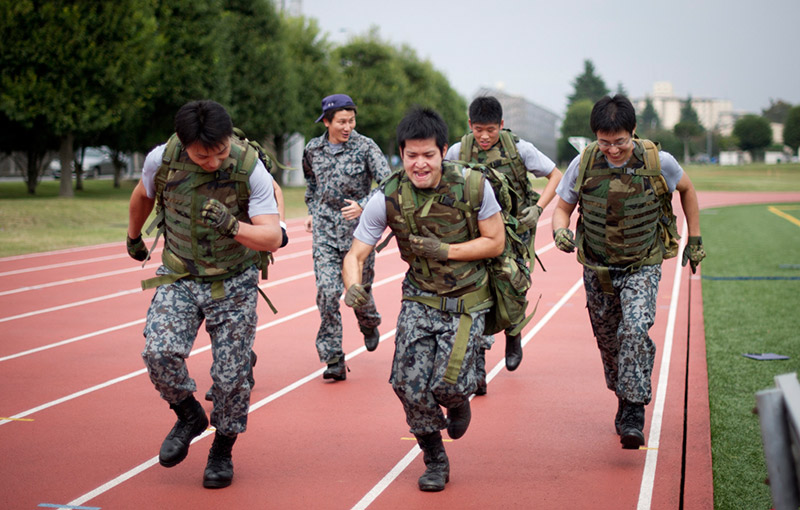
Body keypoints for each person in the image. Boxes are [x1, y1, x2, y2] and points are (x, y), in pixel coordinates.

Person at [342, 107, 505, 492]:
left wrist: (444, 250)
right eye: (411, 155)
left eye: (428, 155)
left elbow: (495, 242)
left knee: (447, 386)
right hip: (420, 299)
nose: (420, 164)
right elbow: (355, 254)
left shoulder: (473, 186)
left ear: (443, 151)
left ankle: (458, 398)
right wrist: (352, 287)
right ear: (401, 154)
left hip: (467, 300)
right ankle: (434, 456)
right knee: (406, 384)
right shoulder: (388, 196)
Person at [126, 100, 284, 488]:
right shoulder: (161, 159)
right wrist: (133, 237)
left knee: (231, 379)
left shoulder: (250, 168)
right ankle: (188, 414)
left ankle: (222, 449)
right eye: (202, 156)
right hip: (179, 275)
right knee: (158, 352)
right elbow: (143, 195)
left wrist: (234, 227)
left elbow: (274, 236)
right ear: (184, 144)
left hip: (233, 281)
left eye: (221, 152)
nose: (213, 162)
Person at [551, 94, 706, 449]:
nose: (613, 150)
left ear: (632, 133)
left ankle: (634, 410)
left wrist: (694, 239)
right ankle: (623, 395)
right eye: (605, 142)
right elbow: (562, 208)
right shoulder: (585, 161)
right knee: (610, 346)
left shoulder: (657, 161)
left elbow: (687, 190)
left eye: (619, 142)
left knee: (635, 330)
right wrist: (559, 231)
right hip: (598, 269)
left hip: (642, 265)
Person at [445, 95, 563, 390]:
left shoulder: (519, 149)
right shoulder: (459, 150)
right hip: (475, 237)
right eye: (479, 129)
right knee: (476, 297)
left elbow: (555, 175)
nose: (484, 136)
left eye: (491, 130)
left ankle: (514, 332)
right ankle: (479, 370)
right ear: (470, 125)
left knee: (511, 288)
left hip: (513, 236)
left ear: (502, 125)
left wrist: (538, 210)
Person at [303, 94, 391, 381]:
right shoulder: (313, 149)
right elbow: (312, 183)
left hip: (359, 234)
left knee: (359, 292)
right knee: (327, 293)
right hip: (325, 233)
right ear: (326, 122)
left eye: (351, 120)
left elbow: (388, 182)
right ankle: (333, 358)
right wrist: (312, 210)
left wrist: (364, 204)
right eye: (341, 121)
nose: (348, 126)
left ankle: (369, 322)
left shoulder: (366, 147)